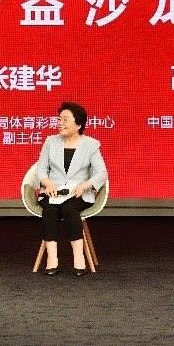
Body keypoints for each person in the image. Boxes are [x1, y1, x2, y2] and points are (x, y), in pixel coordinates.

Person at [31, 102, 108, 276]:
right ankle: (52, 260)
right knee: (49, 209)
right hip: (54, 191)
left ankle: (79, 258)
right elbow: (41, 169)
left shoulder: (91, 145)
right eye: (59, 119)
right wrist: (47, 182)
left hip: (78, 193)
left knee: (69, 208)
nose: (60, 123)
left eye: (65, 120)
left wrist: (85, 185)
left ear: (78, 124)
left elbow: (102, 173)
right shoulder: (50, 142)